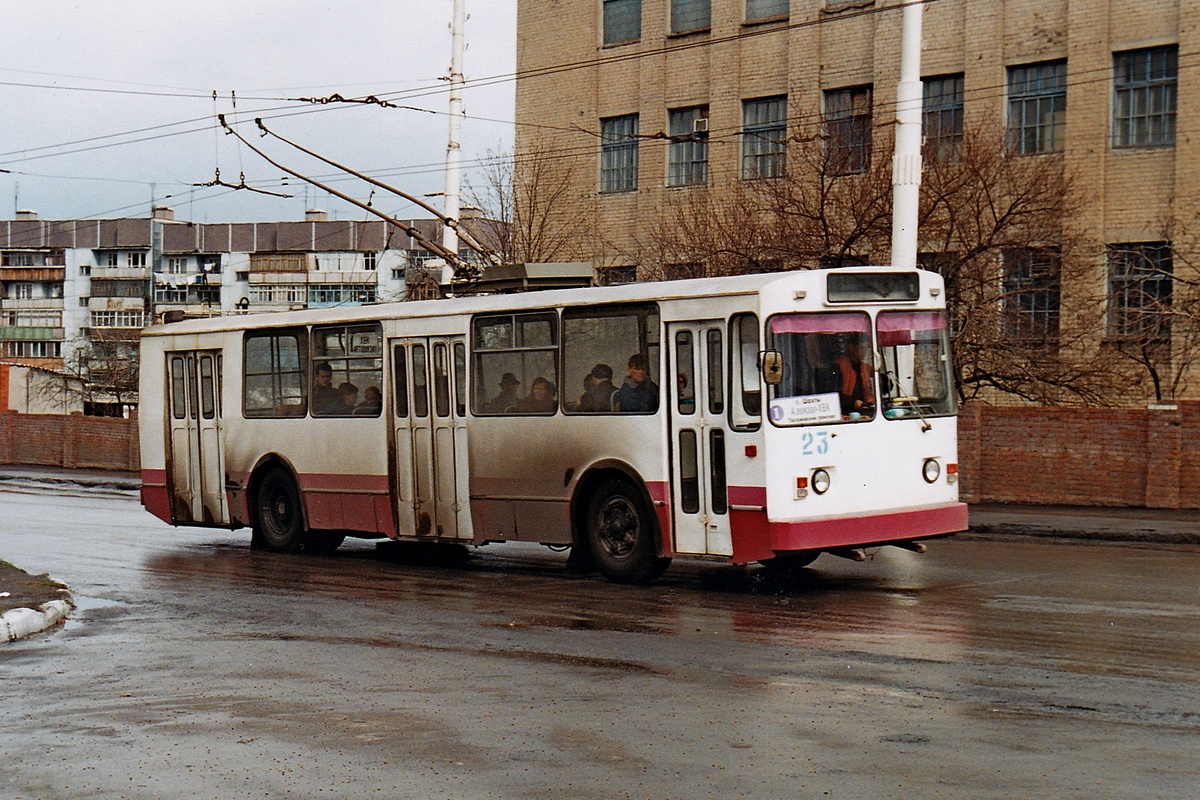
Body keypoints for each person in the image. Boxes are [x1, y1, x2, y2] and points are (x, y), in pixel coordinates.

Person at [835, 337, 874, 416]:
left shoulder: (866, 368)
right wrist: (853, 402)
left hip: (866, 410)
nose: (864, 352)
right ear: (851, 347)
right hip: (846, 412)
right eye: (861, 348)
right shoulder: (839, 366)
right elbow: (835, 394)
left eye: (866, 349)